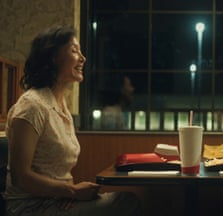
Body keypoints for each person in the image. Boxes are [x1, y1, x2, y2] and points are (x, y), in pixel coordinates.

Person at [3, 26, 141, 216]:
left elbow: (56, 172)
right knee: (125, 203)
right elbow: (20, 177)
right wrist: (71, 191)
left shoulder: (61, 106)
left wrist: (69, 193)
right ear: (52, 56)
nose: (83, 58)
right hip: (30, 207)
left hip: (57, 200)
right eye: (75, 50)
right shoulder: (32, 106)